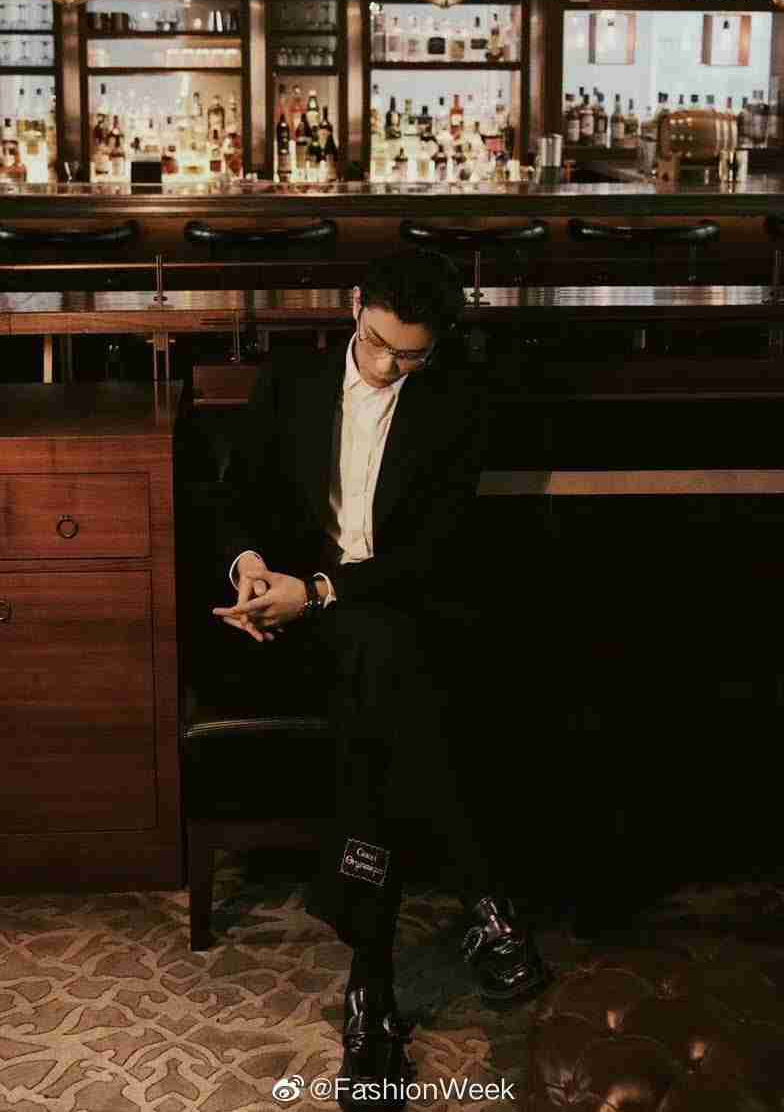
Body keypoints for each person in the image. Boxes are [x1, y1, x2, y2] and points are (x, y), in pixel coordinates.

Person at [211, 248, 548, 1110]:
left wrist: (323, 591)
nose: (388, 367)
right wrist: (251, 569)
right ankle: (483, 896)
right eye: (377, 344)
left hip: (397, 609)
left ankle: (371, 981)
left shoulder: (460, 400)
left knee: (382, 674)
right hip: (298, 619)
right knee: (388, 676)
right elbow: (235, 497)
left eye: (411, 357)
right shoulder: (291, 380)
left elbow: (434, 553)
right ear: (354, 306)